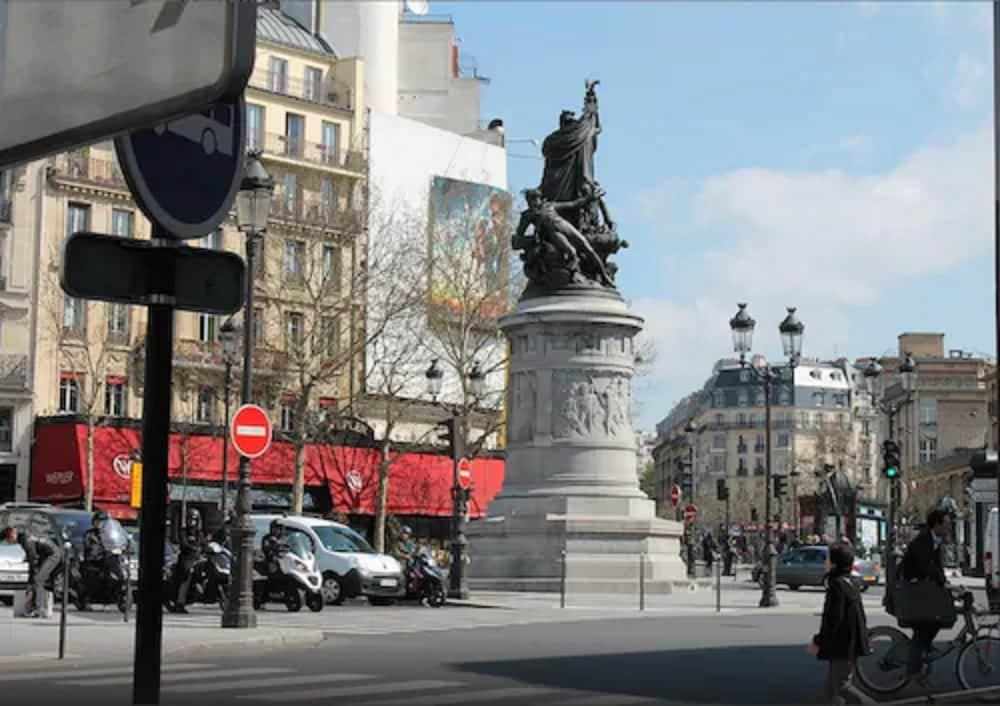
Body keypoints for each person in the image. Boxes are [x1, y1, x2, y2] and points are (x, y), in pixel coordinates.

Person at [808, 542, 869, 705]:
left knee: (842, 686)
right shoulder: (851, 582)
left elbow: (833, 618)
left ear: (834, 563)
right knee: (832, 690)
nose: (825, 562)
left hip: (842, 644)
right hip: (851, 641)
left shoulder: (837, 585)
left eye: (828, 559)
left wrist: (819, 640)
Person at [898, 508, 952, 682]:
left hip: (922, 589)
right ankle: (913, 671)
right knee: (924, 626)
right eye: (946, 524)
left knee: (937, 619)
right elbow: (925, 567)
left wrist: (946, 583)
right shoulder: (922, 540)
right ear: (936, 525)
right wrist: (941, 581)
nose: (949, 527)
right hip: (913, 589)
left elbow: (936, 567)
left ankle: (925, 649)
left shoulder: (935, 541)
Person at [16, 528, 62, 618]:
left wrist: (30, 581)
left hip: (52, 556)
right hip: (47, 555)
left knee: (38, 580)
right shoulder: (31, 537)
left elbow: (33, 561)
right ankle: (36, 607)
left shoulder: (26, 541)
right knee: (37, 580)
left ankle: (39, 609)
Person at [171, 508, 205, 613]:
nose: (192, 522)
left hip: (197, 558)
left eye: (194, 519)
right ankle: (180, 602)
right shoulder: (183, 531)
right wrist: (193, 548)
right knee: (186, 576)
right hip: (186, 558)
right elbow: (183, 543)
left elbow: (203, 543)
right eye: (190, 519)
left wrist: (208, 546)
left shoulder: (199, 533)